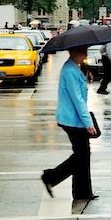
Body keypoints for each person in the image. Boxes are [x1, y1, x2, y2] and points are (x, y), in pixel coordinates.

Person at [41, 45, 98, 201]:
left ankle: (82, 192)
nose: (85, 55)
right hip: (72, 120)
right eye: (83, 52)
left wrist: (86, 78)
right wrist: (88, 122)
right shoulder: (70, 70)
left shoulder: (74, 68)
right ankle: (51, 176)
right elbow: (77, 100)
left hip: (74, 119)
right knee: (82, 156)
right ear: (75, 52)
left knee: (83, 155)